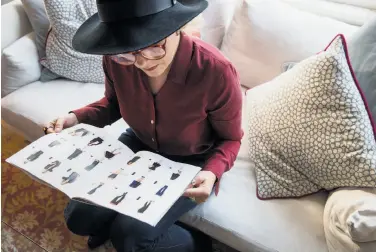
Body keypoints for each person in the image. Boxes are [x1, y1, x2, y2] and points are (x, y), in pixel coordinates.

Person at [45, 0, 243, 251]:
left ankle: (197, 244)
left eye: (153, 48)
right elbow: (113, 103)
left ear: (176, 29)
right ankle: (109, 223)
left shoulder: (216, 71)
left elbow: (231, 139)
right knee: (79, 218)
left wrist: (212, 172)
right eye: (127, 53)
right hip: (139, 144)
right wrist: (75, 118)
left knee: (129, 237)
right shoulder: (116, 60)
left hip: (191, 161)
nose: (142, 63)